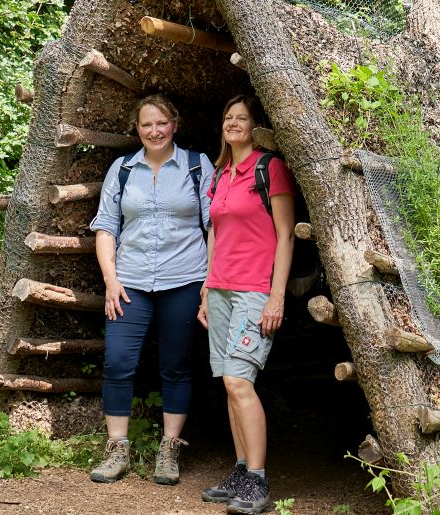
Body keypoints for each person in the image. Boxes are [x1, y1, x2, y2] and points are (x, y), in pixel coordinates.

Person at [86, 94, 214, 486]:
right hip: (130, 282)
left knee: (175, 364)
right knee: (117, 361)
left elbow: (216, 227)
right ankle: (117, 448)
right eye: (146, 125)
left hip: (185, 278)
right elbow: (107, 226)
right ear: (137, 129)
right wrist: (111, 280)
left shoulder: (197, 165)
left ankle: (170, 448)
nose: (154, 131)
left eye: (161, 123)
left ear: (174, 123)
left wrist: (210, 283)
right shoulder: (122, 169)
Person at [197, 94, 294, 515]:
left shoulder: (268, 168)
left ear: (256, 126)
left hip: (255, 291)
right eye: (228, 116)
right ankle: (240, 470)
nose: (233, 123)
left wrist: (276, 295)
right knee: (228, 384)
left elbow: (286, 236)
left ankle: (257, 479)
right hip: (219, 289)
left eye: (242, 118)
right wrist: (205, 287)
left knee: (240, 381)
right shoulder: (220, 174)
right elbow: (215, 235)